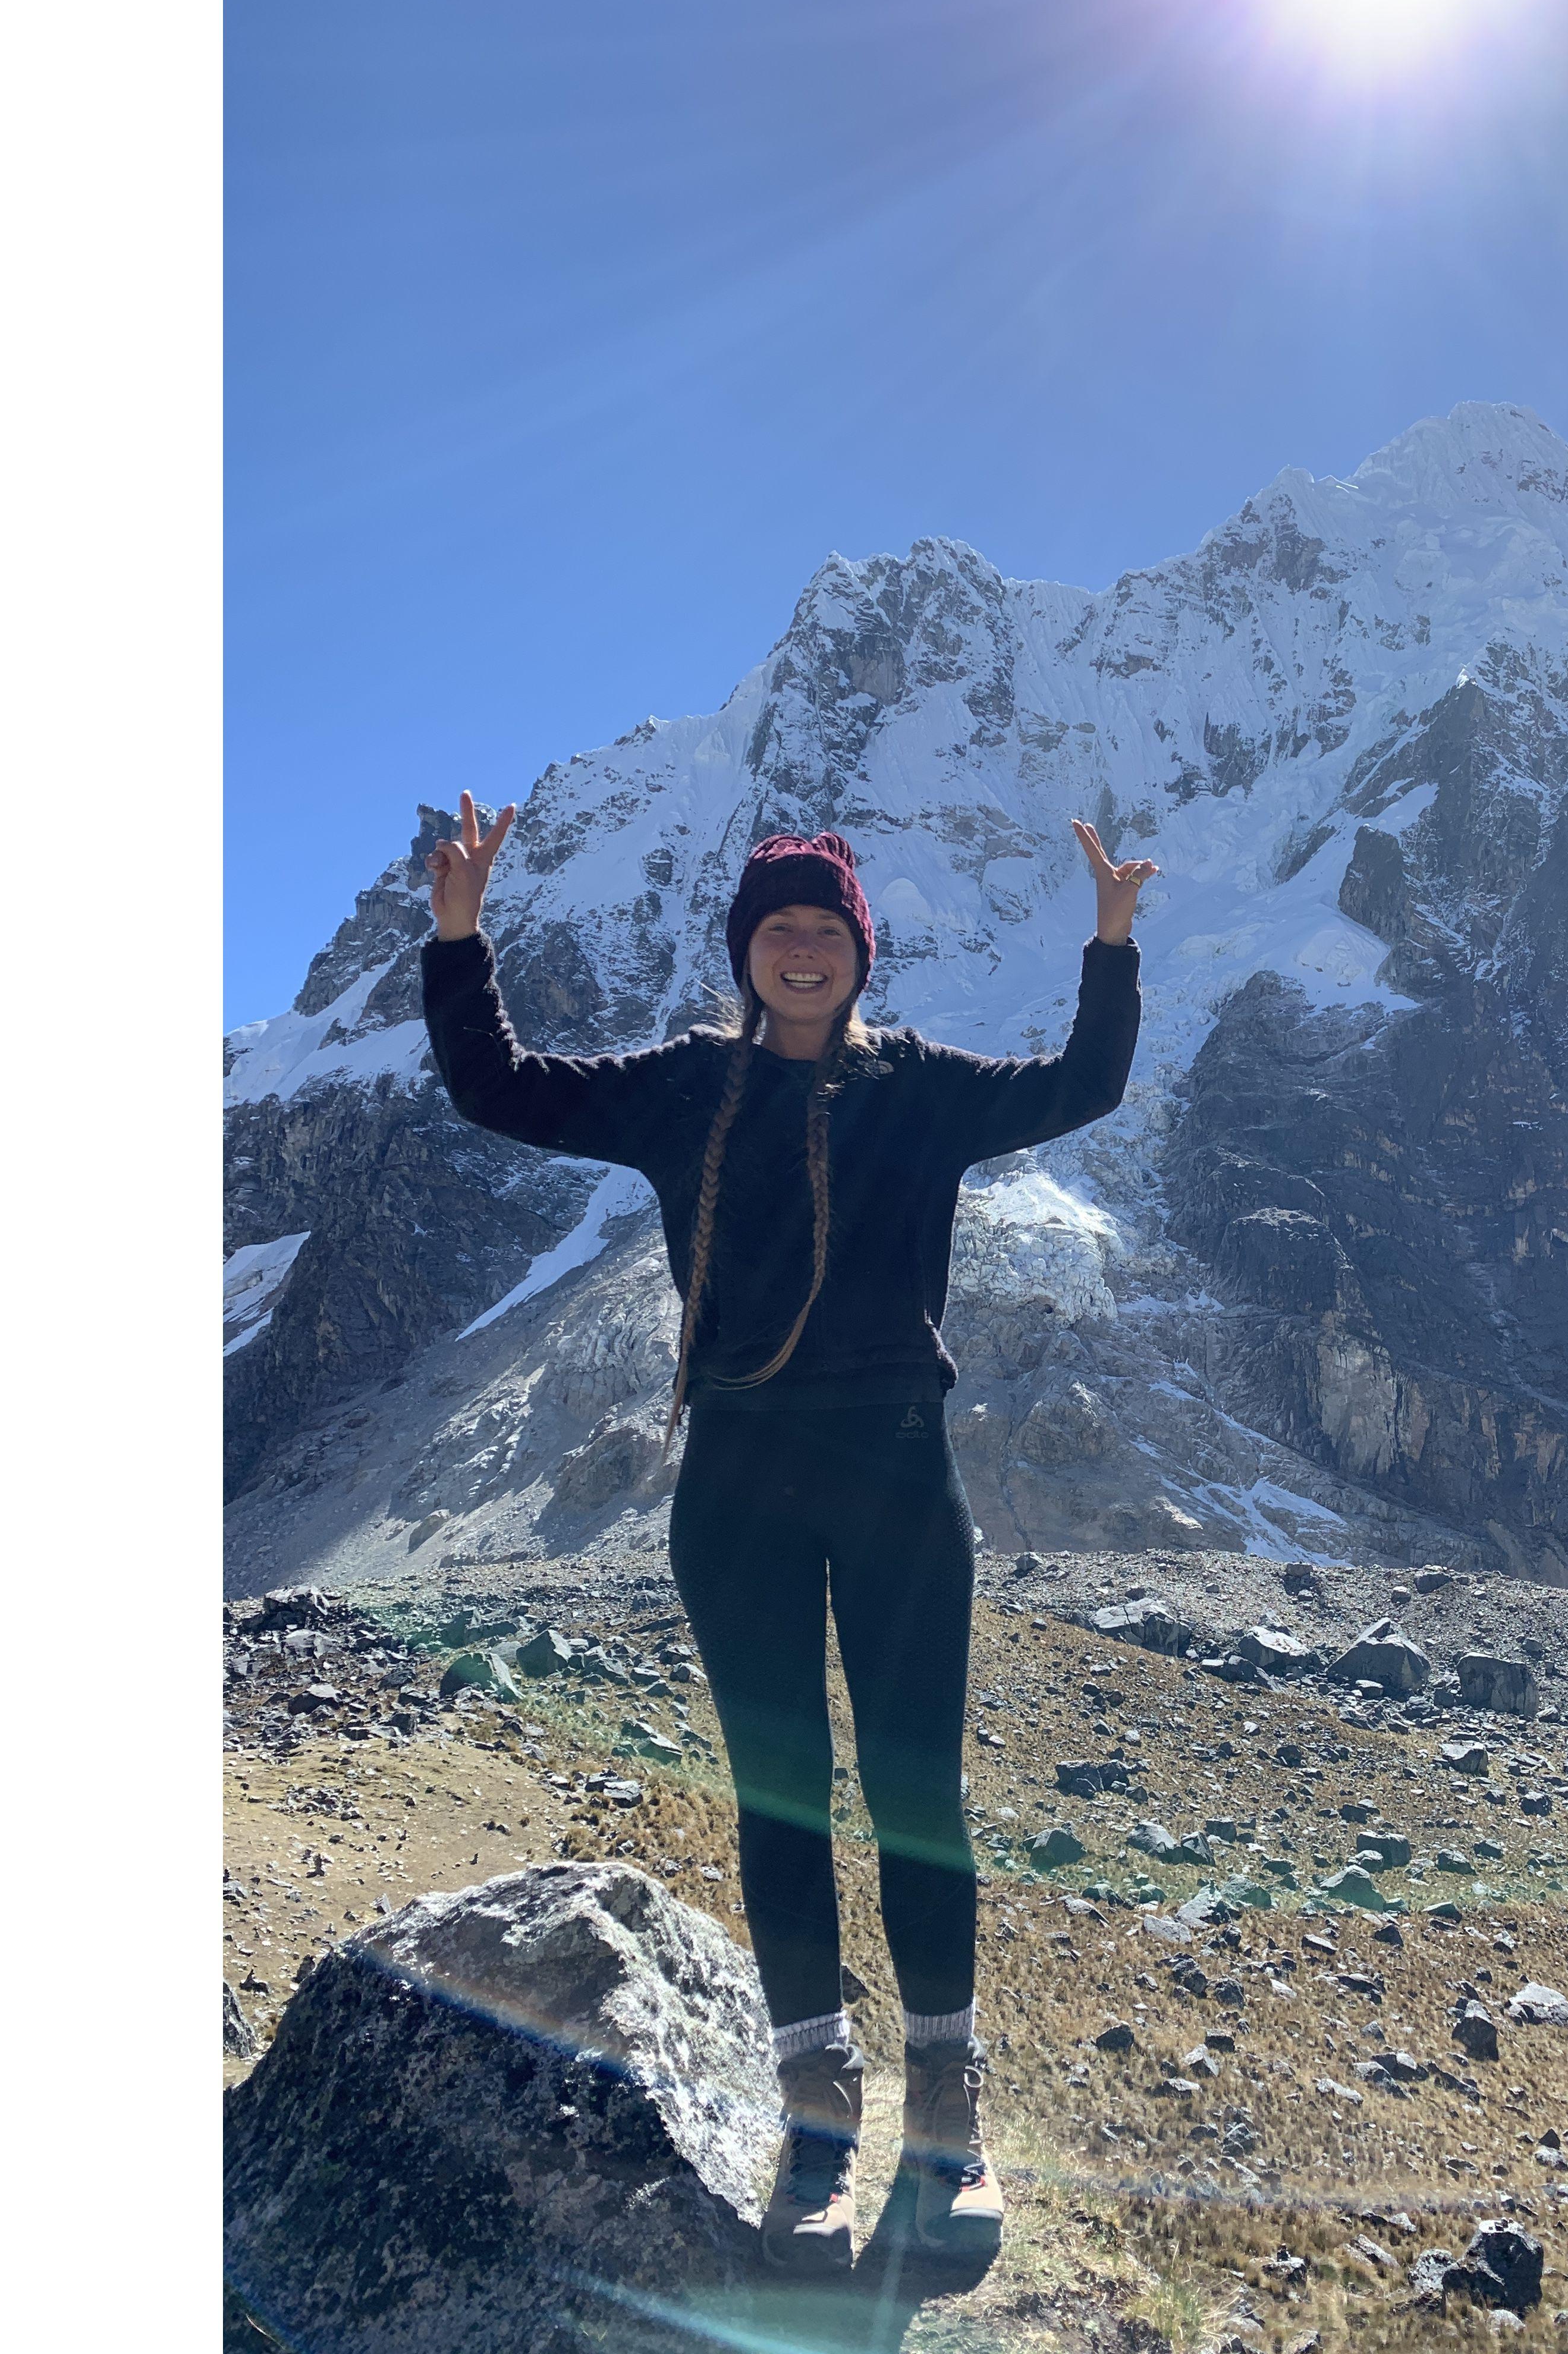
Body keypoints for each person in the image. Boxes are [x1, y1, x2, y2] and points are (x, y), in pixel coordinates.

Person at [419, 795, 1156, 2273]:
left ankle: (947, 2119)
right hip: (740, 1482)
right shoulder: (683, 1085)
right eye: (778, 927)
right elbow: (499, 1089)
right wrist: (459, 938)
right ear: (745, 950)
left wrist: (1112, 947)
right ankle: (817, 2127)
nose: (803, 947)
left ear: (860, 951)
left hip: (897, 1476)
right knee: (782, 1800)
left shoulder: (920, 1086)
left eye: (827, 926)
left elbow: (1083, 1085)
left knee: (916, 1790)